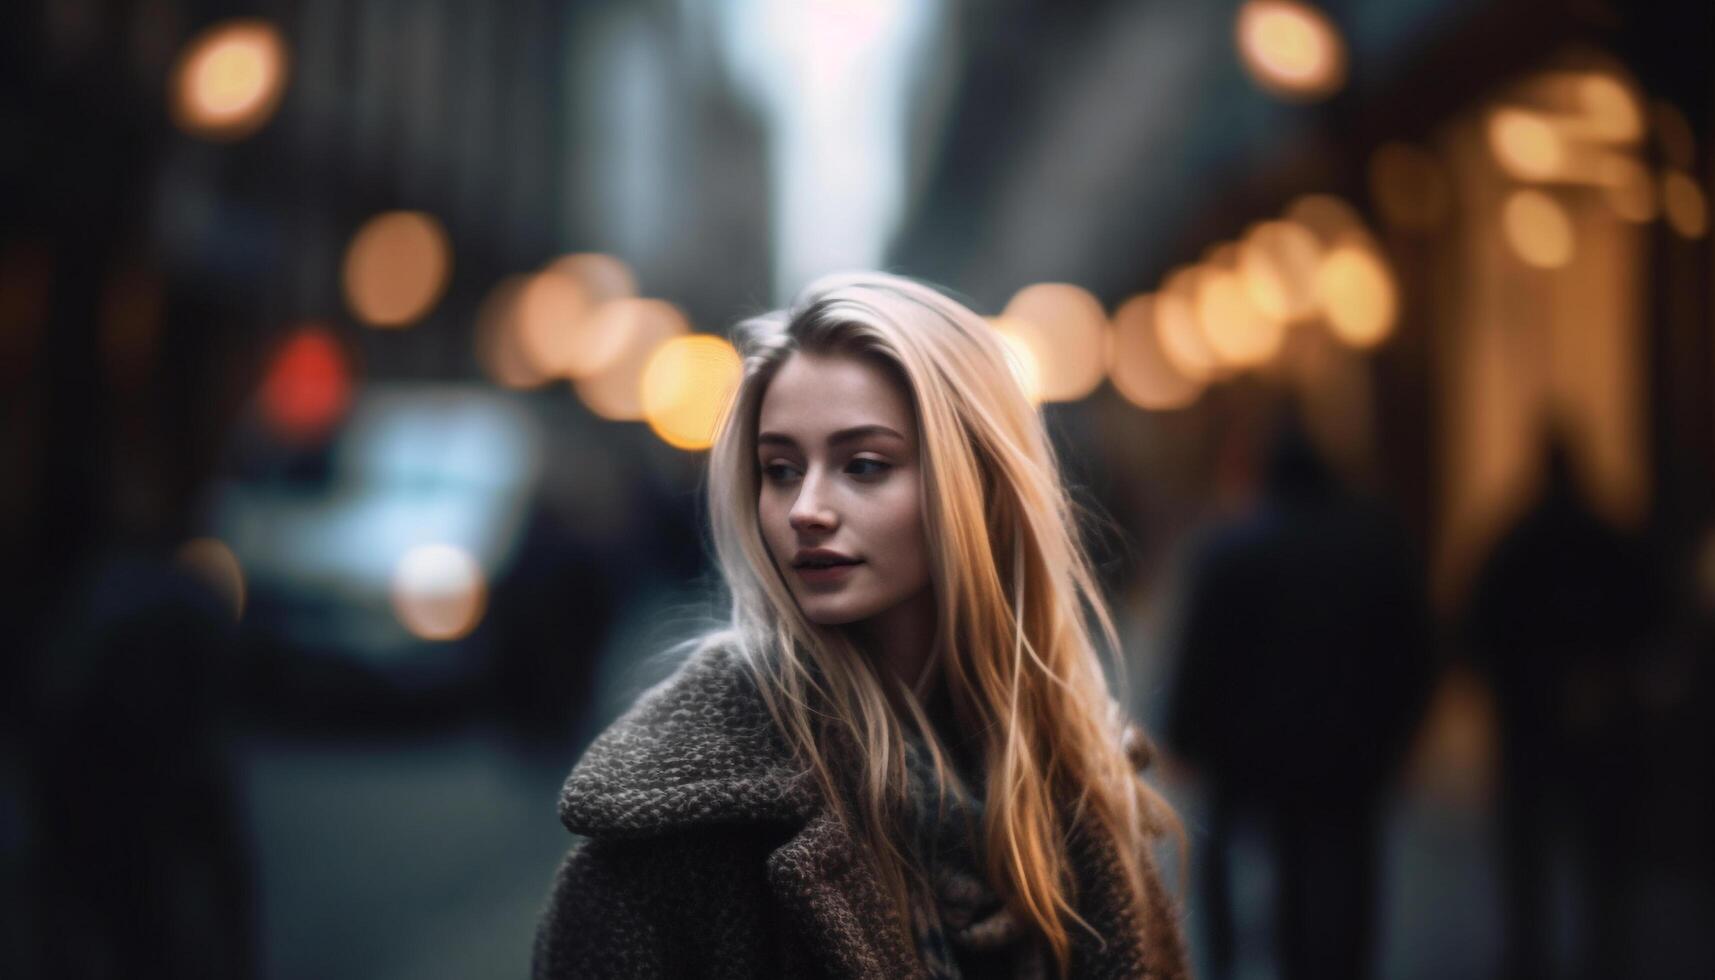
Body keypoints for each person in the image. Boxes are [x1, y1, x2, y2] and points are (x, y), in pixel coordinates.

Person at [532, 272, 1189, 979]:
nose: (805, 508)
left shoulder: (1082, 791)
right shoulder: (673, 840)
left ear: (975, 487)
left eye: (863, 465)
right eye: (780, 469)